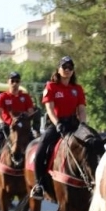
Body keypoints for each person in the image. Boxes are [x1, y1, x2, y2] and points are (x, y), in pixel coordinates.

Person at [30, 56, 87, 199]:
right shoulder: (51, 86)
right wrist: (58, 124)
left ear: (73, 70)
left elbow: (81, 110)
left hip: (73, 124)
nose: (67, 70)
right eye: (64, 67)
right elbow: (49, 108)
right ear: (58, 69)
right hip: (57, 124)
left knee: (91, 146)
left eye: (70, 67)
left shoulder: (77, 89)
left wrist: (83, 124)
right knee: (41, 150)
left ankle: (90, 182)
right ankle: (39, 185)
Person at [0, 71, 35, 191]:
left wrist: (26, 116)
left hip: (22, 130)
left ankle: (38, 181)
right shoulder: (3, 97)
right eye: (12, 81)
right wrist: (2, 123)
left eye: (17, 81)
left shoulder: (25, 97)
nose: (15, 83)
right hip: (6, 128)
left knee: (36, 150)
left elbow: (31, 111)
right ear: (8, 82)